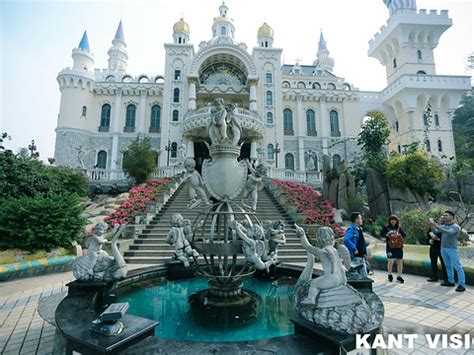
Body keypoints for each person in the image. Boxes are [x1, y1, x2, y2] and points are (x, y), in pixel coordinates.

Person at [429, 211, 466, 292]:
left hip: (452, 249)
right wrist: (432, 226)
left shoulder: (456, 227)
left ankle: (461, 285)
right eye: (443, 215)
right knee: (448, 266)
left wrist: (437, 226)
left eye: (446, 215)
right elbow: (435, 231)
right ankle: (450, 281)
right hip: (443, 248)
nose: (444, 216)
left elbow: (449, 232)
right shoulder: (443, 226)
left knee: (458, 267)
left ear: (452, 217)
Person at [380, 215, 406, 283]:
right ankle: (390, 274)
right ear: (389, 221)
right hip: (390, 247)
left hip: (398, 247)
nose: (393, 221)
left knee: (399, 261)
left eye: (395, 220)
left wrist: (399, 236)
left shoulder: (399, 228)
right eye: (392, 220)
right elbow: (381, 234)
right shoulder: (386, 227)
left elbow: (404, 235)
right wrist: (387, 234)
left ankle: (399, 276)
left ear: (397, 221)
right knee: (390, 261)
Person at [343, 212, 368, 278]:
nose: (361, 220)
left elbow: (361, 242)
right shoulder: (351, 229)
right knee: (359, 275)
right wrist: (354, 248)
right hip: (356, 256)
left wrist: (364, 253)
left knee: (364, 275)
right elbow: (346, 239)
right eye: (360, 218)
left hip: (361, 255)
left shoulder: (360, 229)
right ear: (356, 220)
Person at [426, 216, 447, 282]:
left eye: (443, 218)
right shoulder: (432, 228)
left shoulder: (446, 228)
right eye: (440, 218)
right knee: (433, 262)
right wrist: (429, 241)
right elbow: (428, 237)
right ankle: (434, 277)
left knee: (444, 263)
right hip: (433, 248)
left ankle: (446, 278)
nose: (441, 219)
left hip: (442, 248)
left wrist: (438, 239)